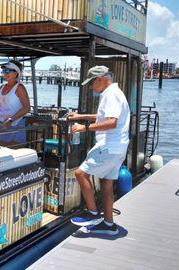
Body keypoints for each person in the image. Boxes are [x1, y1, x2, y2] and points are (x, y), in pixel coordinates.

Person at [68, 65, 130, 235]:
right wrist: (81, 116)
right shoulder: (115, 93)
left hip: (108, 145)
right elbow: (104, 117)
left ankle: (93, 214)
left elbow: (111, 122)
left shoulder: (111, 94)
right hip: (119, 147)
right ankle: (109, 225)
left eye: (91, 83)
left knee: (80, 174)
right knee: (106, 183)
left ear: (101, 79)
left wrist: (83, 128)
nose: (90, 87)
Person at [0, 61, 31, 146]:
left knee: (15, 155)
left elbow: (27, 108)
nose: (5, 73)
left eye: (7, 71)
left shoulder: (19, 88)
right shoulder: (1, 87)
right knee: (0, 154)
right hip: (1, 127)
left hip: (16, 126)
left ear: (16, 73)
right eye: (4, 71)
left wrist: (10, 120)